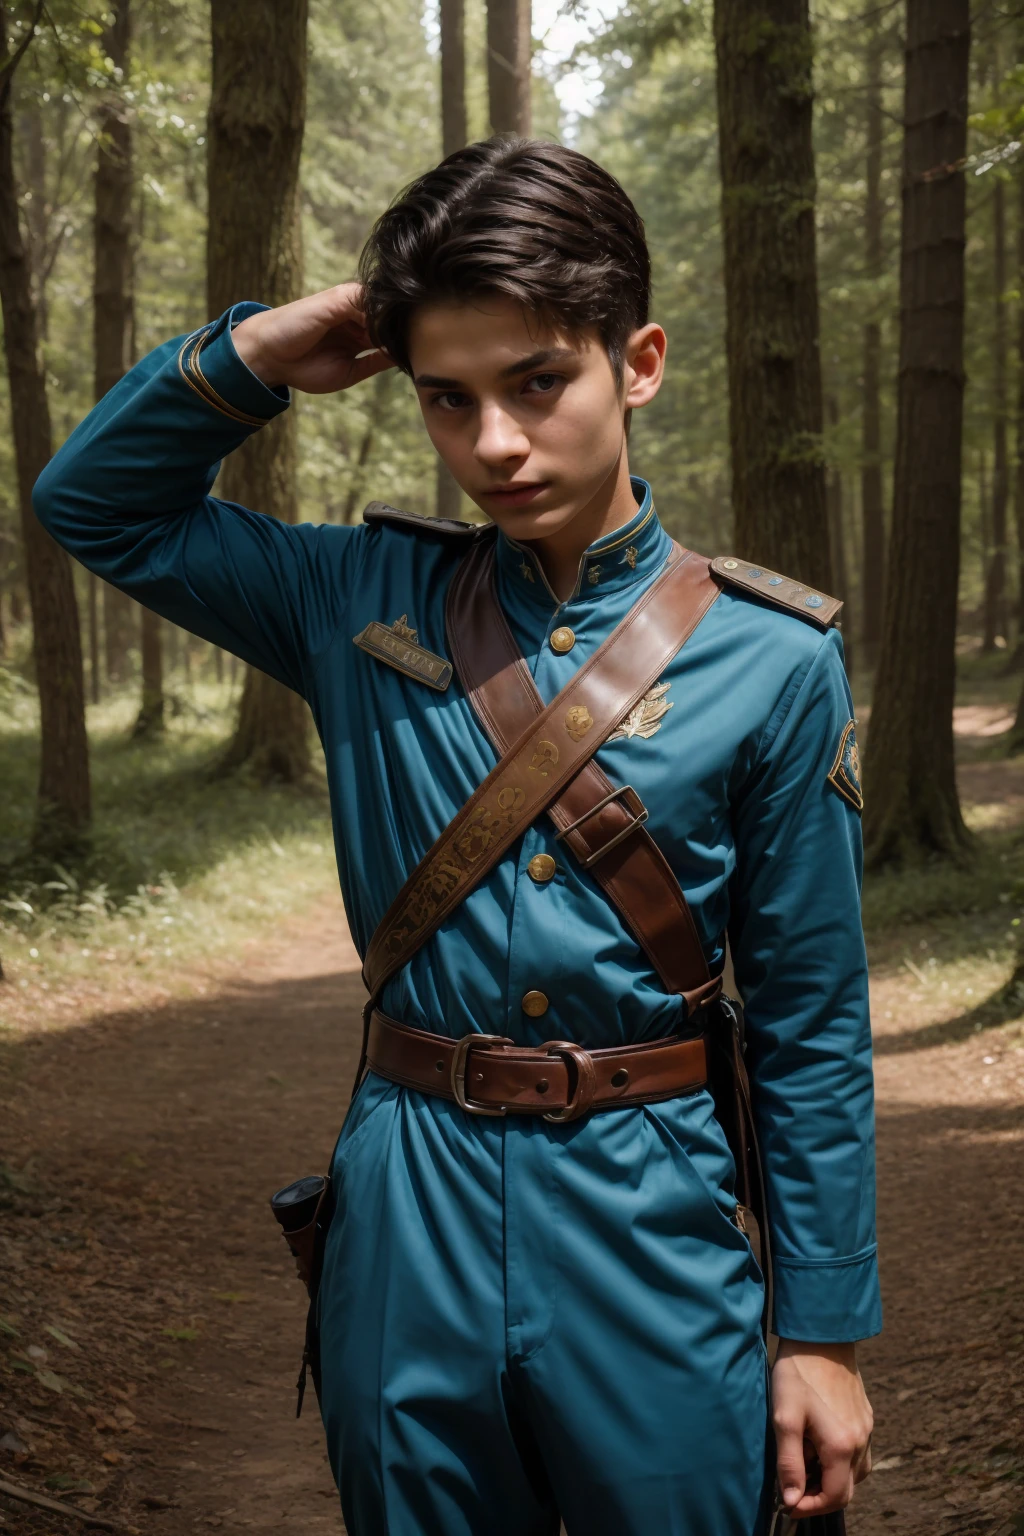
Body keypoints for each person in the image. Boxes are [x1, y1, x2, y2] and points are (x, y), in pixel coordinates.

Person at [33, 137, 879, 1535]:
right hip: (405, 1206)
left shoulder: (770, 660)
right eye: (449, 397)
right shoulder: (351, 595)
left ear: (640, 364)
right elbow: (94, 506)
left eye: (539, 381)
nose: (494, 441)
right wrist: (259, 350)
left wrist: (825, 1336)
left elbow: (809, 1018)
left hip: (650, 1211)